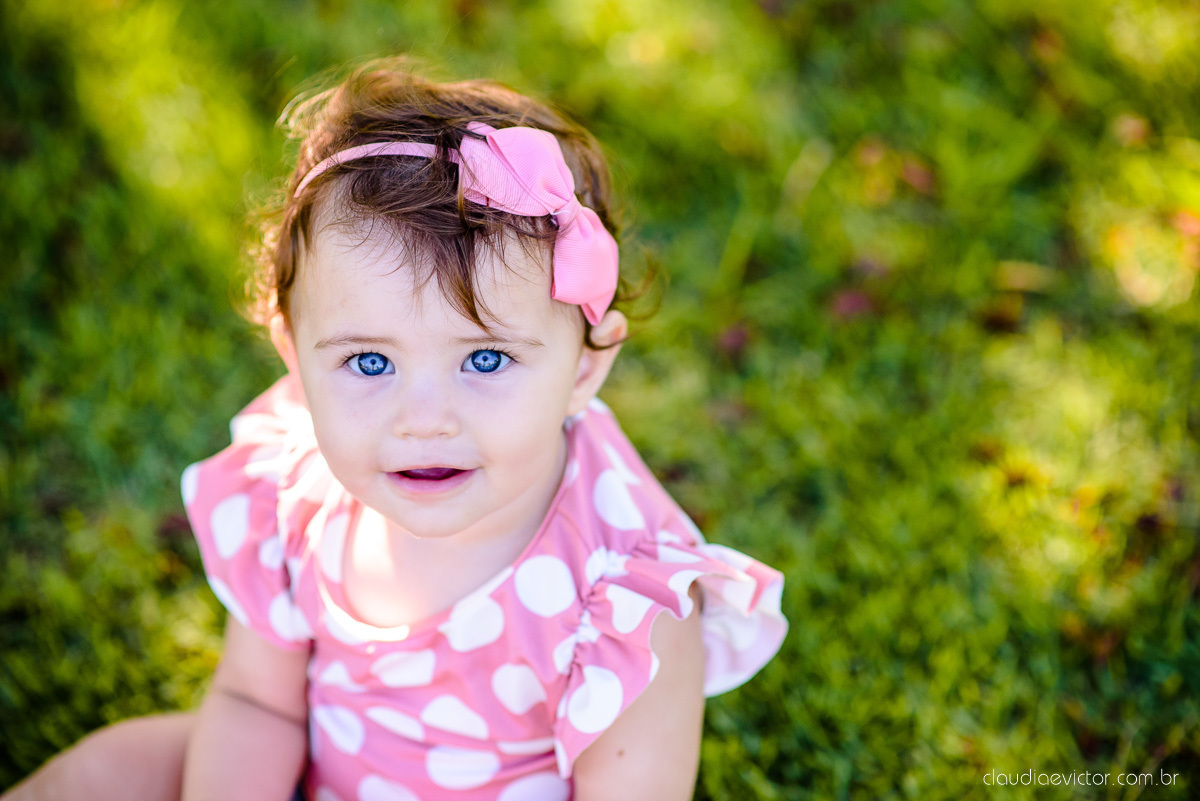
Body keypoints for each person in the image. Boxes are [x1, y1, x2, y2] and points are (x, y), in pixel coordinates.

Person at [3, 58, 787, 801]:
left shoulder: (622, 605)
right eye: (370, 363)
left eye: (485, 358)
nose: (423, 420)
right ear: (294, 356)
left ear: (586, 366)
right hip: (316, 763)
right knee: (104, 773)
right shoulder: (296, 489)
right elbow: (258, 706)